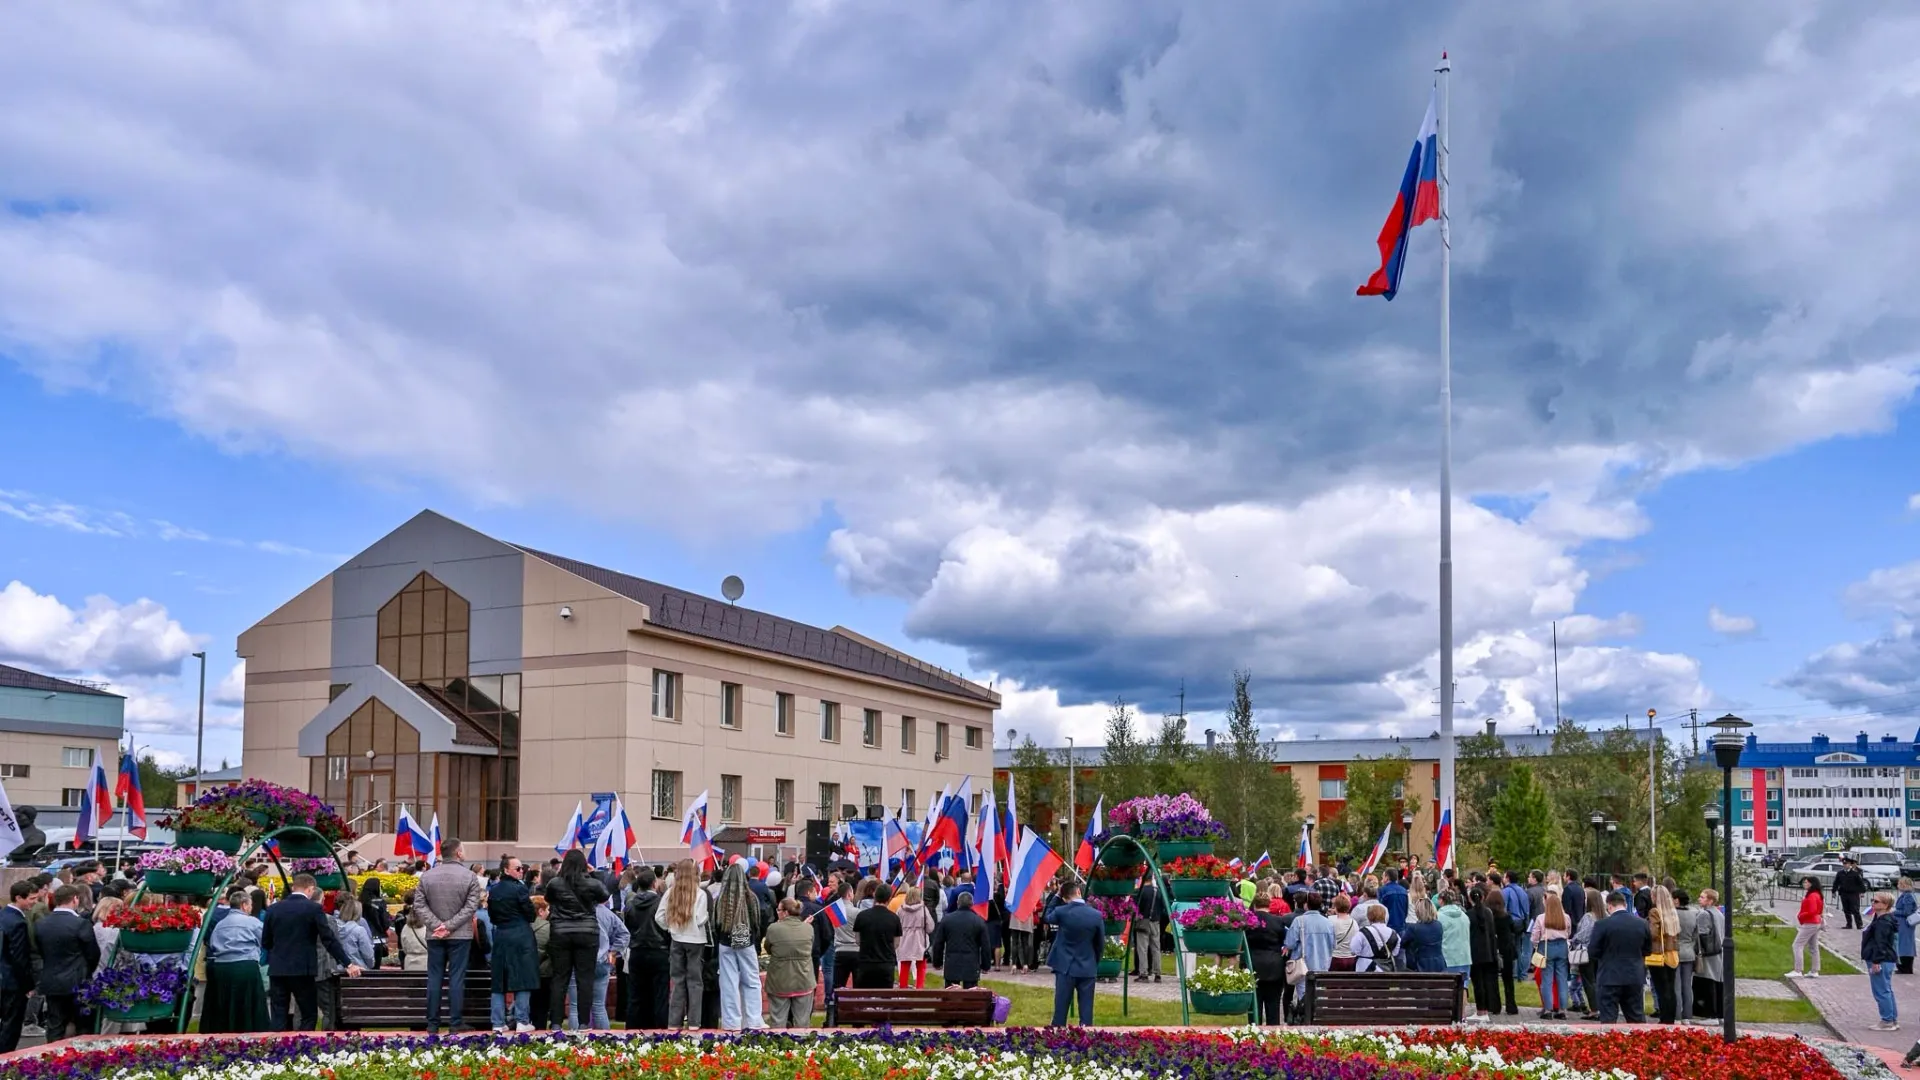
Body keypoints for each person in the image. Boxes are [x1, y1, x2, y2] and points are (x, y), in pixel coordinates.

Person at [262, 874, 360, 1031]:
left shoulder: (273, 909)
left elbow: (266, 941)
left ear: (294, 887)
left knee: (278, 1013)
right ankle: (303, 1047)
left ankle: (276, 1047)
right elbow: (328, 939)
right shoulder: (313, 908)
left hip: (278, 968)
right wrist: (347, 963)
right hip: (303, 968)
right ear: (310, 889)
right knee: (308, 1013)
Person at [413, 837, 487, 1035]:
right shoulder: (469, 877)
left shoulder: (427, 876)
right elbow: (471, 906)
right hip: (460, 935)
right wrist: (450, 926)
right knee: (456, 977)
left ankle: (432, 1023)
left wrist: (438, 925)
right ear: (458, 853)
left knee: (435, 977)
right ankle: (455, 1022)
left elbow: (419, 905)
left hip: (435, 935)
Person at [547, 849, 611, 1030]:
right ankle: (584, 1023)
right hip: (587, 933)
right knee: (585, 978)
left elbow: (549, 899)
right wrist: (594, 873)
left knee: (560, 979)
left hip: (560, 933)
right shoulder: (592, 883)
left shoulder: (555, 883)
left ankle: (556, 1023)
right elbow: (605, 895)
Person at [200, 888, 269, 1034]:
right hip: (245, 966)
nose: (251, 908)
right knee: (249, 1005)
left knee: (226, 1005)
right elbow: (266, 940)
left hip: (222, 967)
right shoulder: (252, 922)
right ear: (244, 905)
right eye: (250, 905)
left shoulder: (220, 924)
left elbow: (212, 943)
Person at [34, 886, 97, 1042]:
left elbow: (39, 951)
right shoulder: (81, 923)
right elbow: (93, 954)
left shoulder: (41, 924)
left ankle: (51, 1059)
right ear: (75, 899)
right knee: (83, 1025)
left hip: (52, 980)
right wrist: (87, 970)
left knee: (55, 1025)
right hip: (79, 980)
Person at [487, 856, 540, 1032]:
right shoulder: (520, 889)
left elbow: (492, 916)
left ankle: (497, 1022)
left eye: (521, 868)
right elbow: (530, 914)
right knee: (523, 978)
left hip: (501, 934)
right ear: (506, 870)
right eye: (517, 869)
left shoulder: (494, 890)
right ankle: (522, 1020)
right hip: (521, 935)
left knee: (499, 979)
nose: (521, 871)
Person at [657, 858, 710, 1030]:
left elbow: (659, 917)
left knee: (678, 981)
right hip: (696, 940)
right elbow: (700, 919)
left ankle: (674, 1022)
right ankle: (694, 1022)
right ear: (695, 873)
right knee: (695, 982)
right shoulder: (700, 894)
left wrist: (671, 928)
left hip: (677, 939)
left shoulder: (671, 892)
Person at [1044, 878, 1103, 1026]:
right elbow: (1099, 943)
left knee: (1061, 1008)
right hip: (1087, 965)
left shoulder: (1061, 912)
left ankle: (1058, 1036)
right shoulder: (1096, 915)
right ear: (1078, 891)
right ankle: (1086, 1034)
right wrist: (1094, 961)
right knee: (1086, 1009)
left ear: (1064, 898)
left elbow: (1047, 916)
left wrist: (1056, 897)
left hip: (1065, 966)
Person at [713, 862, 765, 1030]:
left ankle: (731, 1022)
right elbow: (757, 923)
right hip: (746, 943)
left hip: (725, 943)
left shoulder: (720, 899)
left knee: (728, 982)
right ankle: (753, 1020)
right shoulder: (751, 897)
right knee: (751, 981)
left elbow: (716, 923)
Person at [1589, 891, 1651, 1024]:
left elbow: (1593, 951)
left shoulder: (1602, 925)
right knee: (1636, 1019)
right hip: (1634, 975)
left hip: (1609, 976)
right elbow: (1647, 950)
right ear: (1624, 904)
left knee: (1608, 1020)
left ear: (1609, 906)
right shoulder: (1642, 924)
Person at [624, 868, 670, 1029]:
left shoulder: (630, 905)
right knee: (660, 995)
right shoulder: (661, 903)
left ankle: (632, 1030)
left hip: (637, 951)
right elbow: (666, 927)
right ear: (654, 884)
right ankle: (660, 1031)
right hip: (659, 951)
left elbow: (628, 927)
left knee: (636, 995)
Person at [764, 898, 816, 1029]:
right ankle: (803, 1047)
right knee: (803, 1022)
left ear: (786, 913)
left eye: (779, 910)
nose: (777, 912)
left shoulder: (773, 929)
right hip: (803, 979)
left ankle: (777, 1047)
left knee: (778, 1021)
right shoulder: (808, 928)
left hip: (779, 980)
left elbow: (769, 948)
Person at [929, 889, 991, 990]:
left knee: (951, 996)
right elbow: (985, 946)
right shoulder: (978, 921)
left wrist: (937, 962)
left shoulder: (947, 920)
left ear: (957, 903)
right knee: (970, 997)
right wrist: (985, 965)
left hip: (952, 964)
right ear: (972, 904)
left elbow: (938, 943)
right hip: (971, 965)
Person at [0, 880, 34, 1054]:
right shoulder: (18, 922)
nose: (34, 902)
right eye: (31, 898)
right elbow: (20, 957)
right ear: (19, 898)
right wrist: (28, 985)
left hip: (3, 977)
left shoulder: (3, 915)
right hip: (12, 982)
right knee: (11, 1025)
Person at [1529, 889, 1573, 1020]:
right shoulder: (1565, 917)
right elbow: (1569, 932)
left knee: (1547, 980)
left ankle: (1548, 1009)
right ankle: (1562, 1009)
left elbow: (1535, 936)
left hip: (1547, 946)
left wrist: (1535, 944)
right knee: (1562, 979)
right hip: (1562, 947)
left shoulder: (1541, 918)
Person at [851, 882, 904, 990]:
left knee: (865, 998)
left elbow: (857, 939)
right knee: (885, 1000)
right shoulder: (894, 918)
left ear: (875, 895)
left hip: (866, 963)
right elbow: (896, 943)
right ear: (889, 898)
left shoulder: (862, 916)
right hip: (886, 963)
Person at [1864, 891, 1901, 1032]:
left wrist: (1876, 961)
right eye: (1873, 900)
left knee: (1881, 991)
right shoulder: (1882, 918)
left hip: (1882, 959)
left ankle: (1887, 1020)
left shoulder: (1884, 922)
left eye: (1876, 901)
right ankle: (1892, 1018)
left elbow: (1881, 943)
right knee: (1886, 989)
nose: (1873, 903)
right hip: (1886, 959)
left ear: (1885, 905)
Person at [893, 886, 936, 989]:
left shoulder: (900, 910)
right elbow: (930, 927)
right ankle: (919, 987)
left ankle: (903, 987)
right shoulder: (923, 910)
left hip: (904, 939)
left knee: (904, 965)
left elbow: (896, 925)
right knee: (921, 966)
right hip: (919, 940)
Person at [1693, 887, 1725, 1021]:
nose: (1699, 899)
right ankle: (1719, 1013)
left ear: (1710, 901)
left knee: (1706, 980)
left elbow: (1700, 934)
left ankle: (1709, 1013)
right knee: (1717, 981)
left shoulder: (1704, 914)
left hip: (1708, 954)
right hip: (1718, 952)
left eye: (1703, 897)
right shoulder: (1719, 914)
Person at [1788, 877, 1826, 978]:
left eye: (1806, 882)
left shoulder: (1813, 896)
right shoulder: (1817, 895)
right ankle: (1814, 970)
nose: (1804, 884)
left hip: (1810, 922)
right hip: (1816, 922)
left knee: (1797, 945)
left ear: (1812, 884)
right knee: (1813, 947)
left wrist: (1801, 915)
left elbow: (1813, 911)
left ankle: (1798, 970)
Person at [1133, 874, 1165, 981]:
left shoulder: (1140, 891)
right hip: (1155, 921)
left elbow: (1135, 906)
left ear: (1142, 879)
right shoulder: (1158, 891)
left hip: (1143, 921)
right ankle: (1158, 974)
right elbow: (1163, 907)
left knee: (1142, 948)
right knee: (1156, 948)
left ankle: (1144, 973)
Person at [1352, 904, 1401, 972]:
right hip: (1386, 970)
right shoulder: (1394, 934)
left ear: (1369, 916)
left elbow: (1354, 950)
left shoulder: (1362, 933)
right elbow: (1395, 953)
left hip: (1364, 969)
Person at [1404, 897, 1446, 973]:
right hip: (1439, 964)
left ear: (1418, 911)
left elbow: (1403, 943)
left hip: (1421, 966)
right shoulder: (1438, 925)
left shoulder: (1413, 928)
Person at [358, 877, 391, 969]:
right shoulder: (379, 902)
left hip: (361, 936)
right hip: (377, 938)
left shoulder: (359, 901)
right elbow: (384, 919)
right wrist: (386, 929)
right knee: (376, 968)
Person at [398, 896, 430, 972]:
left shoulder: (406, 928)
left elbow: (404, 946)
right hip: (426, 961)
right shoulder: (429, 926)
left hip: (409, 962)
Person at [1836, 858, 1868, 931]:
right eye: (1844, 864)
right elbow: (1836, 882)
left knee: (1855, 910)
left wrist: (1862, 891)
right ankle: (1849, 924)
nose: (1845, 865)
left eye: (1846, 864)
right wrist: (1834, 891)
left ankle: (1859, 924)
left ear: (1850, 864)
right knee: (1846, 910)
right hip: (1844, 894)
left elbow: (1860, 884)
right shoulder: (1840, 873)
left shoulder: (1855, 874)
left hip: (1853, 894)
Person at [1897, 878, 1918, 976]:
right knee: (1903, 944)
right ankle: (1903, 966)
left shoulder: (1908, 896)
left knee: (1905, 945)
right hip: (1902, 923)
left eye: (1899, 883)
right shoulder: (1906, 895)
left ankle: (1906, 967)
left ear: (1904, 885)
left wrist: (1893, 912)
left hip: (1905, 924)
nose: (1898, 885)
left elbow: (1907, 912)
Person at [1380, 869, 1410, 936]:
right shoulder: (1404, 891)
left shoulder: (1382, 890)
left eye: (1383, 877)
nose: (1382, 879)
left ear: (1387, 877)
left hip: (1387, 927)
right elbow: (1406, 909)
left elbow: (1379, 909)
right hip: (1401, 926)